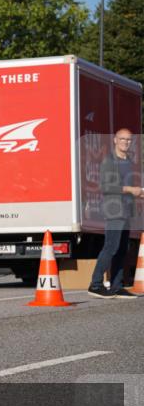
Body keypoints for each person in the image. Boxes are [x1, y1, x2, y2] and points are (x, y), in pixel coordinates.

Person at [88, 128, 144, 299]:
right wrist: (129, 189)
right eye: (122, 139)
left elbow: (129, 186)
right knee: (111, 247)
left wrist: (138, 192)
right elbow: (106, 187)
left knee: (122, 249)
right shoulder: (109, 161)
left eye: (128, 140)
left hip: (126, 210)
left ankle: (117, 286)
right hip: (114, 211)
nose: (125, 142)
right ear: (115, 140)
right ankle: (95, 284)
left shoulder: (128, 161)